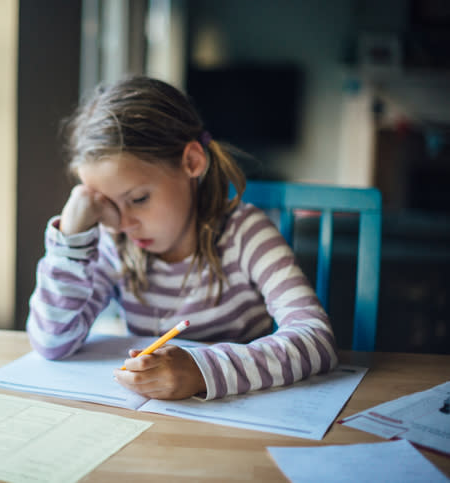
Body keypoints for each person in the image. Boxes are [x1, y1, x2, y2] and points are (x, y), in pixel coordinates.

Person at [26, 75, 338, 401]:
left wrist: (201, 371)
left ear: (191, 162)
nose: (124, 223)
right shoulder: (113, 245)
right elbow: (51, 342)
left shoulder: (247, 235)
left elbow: (316, 339)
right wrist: (71, 241)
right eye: (108, 204)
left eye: (139, 199)